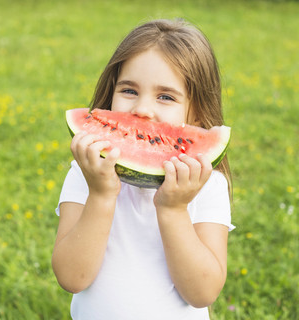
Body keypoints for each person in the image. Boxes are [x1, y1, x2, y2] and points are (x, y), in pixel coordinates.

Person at [52, 18, 234, 320]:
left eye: (165, 96)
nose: (142, 109)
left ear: (198, 113)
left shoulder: (207, 186)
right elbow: (72, 278)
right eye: (129, 91)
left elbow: (202, 293)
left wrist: (174, 209)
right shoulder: (85, 173)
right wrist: (101, 194)